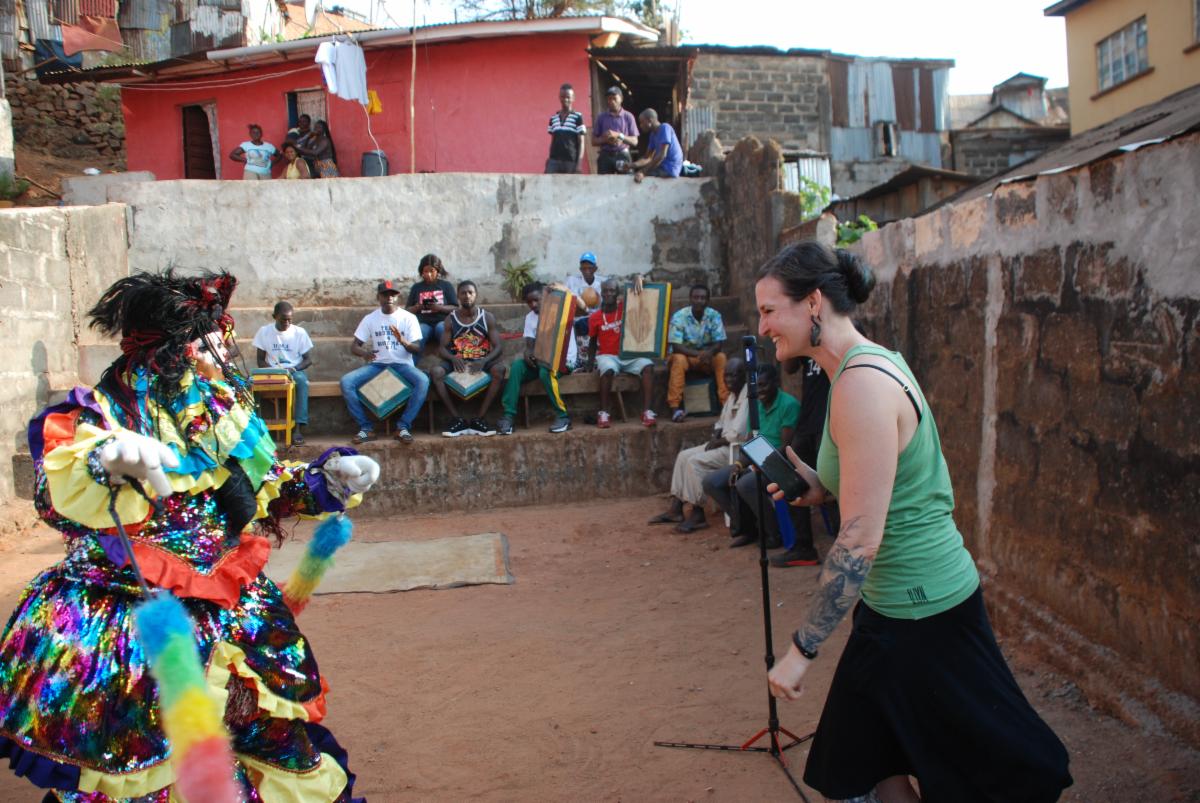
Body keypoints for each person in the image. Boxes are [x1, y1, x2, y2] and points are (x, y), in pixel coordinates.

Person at [0, 269, 377, 802]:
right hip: (132, 622)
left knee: (273, 740)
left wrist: (322, 483)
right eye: (204, 341)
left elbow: (255, 490)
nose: (217, 352)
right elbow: (55, 491)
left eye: (219, 337)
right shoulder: (95, 416)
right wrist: (100, 466)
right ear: (162, 348)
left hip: (235, 612)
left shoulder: (215, 409)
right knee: (149, 770)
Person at [758, 241, 1072, 801]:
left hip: (924, 612)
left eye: (768, 311)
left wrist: (801, 651)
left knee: (986, 771)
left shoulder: (860, 386)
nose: (762, 328)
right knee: (870, 758)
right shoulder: (852, 371)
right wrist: (818, 485)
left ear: (811, 304)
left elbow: (859, 543)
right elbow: (877, 480)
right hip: (890, 609)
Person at [648, 357, 748, 531]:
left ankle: (697, 513)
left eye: (734, 376)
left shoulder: (748, 398)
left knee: (694, 462)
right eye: (727, 376)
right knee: (683, 456)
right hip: (722, 445)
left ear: (744, 376)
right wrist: (716, 433)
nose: (729, 380)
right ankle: (676, 508)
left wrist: (718, 440)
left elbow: (737, 434)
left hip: (735, 450)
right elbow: (721, 423)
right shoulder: (732, 396)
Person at [700, 363, 798, 539]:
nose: (759, 390)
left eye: (763, 385)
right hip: (757, 459)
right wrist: (739, 465)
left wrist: (760, 464)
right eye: (755, 386)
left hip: (781, 463)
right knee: (711, 482)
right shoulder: (757, 407)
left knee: (745, 483)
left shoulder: (788, 404)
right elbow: (752, 440)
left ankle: (772, 533)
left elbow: (787, 448)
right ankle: (747, 527)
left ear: (776, 382)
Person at [340, 279, 429, 444]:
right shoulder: (370, 318)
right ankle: (366, 428)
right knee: (346, 382)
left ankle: (402, 427)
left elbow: (418, 349)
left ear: (398, 297)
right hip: (377, 365)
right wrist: (365, 353)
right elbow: (354, 346)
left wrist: (404, 341)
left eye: (393, 294)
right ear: (378, 297)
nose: (389, 297)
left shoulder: (408, 318)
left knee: (423, 380)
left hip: (402, 365)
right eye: (385, 294)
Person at [496, 282, 577, 435]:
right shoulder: (530, 318)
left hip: (564, 361)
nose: (533, 304)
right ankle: (508, 416)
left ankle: (563, 417)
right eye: (529, 302)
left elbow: (580, 305)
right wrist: (528, 354)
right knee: (517, 367)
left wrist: (563, 289)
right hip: (542, 360)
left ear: (545, 297)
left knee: (545, 372)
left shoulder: (560, 310)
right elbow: (529, 345)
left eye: (536, 300)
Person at [429, 279, 505, 437]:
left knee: (499, 370)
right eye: (463, 293)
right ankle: (457, 420)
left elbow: (498, 346)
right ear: (457, 296)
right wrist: (452, 358)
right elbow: (442, 348)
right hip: (459, 361)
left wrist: (484, 360)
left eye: (470, 293)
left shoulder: (487, 317)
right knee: (436, 372)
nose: (467, 296)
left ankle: (480, 419)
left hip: (481, 361)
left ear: (476, 295)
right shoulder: (451, 319)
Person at [585, 278, 656, 428]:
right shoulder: (595, 317)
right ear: (601, 293)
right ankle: (603, 413)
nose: (608, 293)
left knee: (648, 366)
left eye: (612, 290)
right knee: (607, 370)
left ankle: (647, 412)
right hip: (608, 356)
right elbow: (592, 342)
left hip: (628, 355)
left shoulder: (626, 307)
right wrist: (590, 362)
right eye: (605, 291)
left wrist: (641, 278)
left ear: (618, 293)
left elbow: (645, 292)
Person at [252, 300, 314, 443]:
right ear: (274, 316)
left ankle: (298, 428)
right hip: (272, 370)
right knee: (251, 383)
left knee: (302, 381)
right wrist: (271, 371)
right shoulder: (264, 332)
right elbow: (260, 360)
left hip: (293, 370)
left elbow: (308, 360)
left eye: (290, 320)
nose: (286, 323)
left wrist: (293, 368)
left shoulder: (299, 332)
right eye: (283, 319)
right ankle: (258, 428)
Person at [667, 284, 728, 422]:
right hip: (687, 356)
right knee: (678, 359)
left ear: (708, 300)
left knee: (721, 358)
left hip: (707, 357)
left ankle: (727, 404)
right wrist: (699, 355)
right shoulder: (679, 316)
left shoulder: (714, 315)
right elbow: (676, 346)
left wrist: (709, 353)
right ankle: (675, 408)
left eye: (703, 298)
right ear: (690, 299)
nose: (699, 301)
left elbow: (719, 343)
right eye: (696, 297)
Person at [406, 253, 458, 346]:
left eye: (432, 271)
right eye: (425, 271)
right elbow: (407, 311)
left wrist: (440, 308)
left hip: (442, 322)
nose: (428, 274)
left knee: (442, 329)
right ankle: (412, 360)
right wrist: (417, 307)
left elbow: (456, 308)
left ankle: (451, 358)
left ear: (438, 271)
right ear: (421, 272)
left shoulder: (446, 286)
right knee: (420, 332)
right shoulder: (416, 287)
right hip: (423, 323)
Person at [626, 108, 683, 182]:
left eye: (642, 122)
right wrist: (631, 165)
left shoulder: (665, 128)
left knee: (638, 177)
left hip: (670, 169)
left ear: (649, 120)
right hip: (661, 167)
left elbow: (662, 155)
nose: (640, 126)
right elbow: (648, 158)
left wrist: (643, 172)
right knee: (636, 174)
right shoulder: (653, 135)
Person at [592, 86, 638, 175]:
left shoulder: (628, 117)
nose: (612, 101)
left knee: (625, 183)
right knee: (603, 184)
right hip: (605, 156)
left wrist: (619, 136)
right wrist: (605, 139)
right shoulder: (601, 117)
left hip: (622, 155)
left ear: (621, 99)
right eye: (609, 99)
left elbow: (635, 141)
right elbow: (593, 141)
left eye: (614, 98)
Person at [545, 83, 586, 174]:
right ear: (559, 97)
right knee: (548, 184)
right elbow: (552, 141)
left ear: (573, 98)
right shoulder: (553, 118)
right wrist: (550, 159)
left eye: (568, 97)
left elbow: (581, 142)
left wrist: (579, 163)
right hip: (554, 161)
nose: (565, 99)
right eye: (563, 97)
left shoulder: (578, 117)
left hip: (570, 161)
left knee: (570, 186)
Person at [566, 251, 607, 336]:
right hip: (578, 320)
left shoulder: (603, 282)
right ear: (580, 269)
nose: (586, 271)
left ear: (595, 268)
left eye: (590, 268)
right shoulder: (571, 281)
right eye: (584, 268)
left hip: (597, 320)